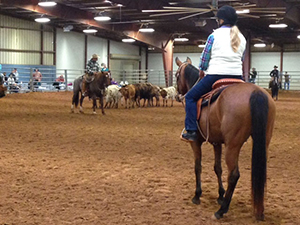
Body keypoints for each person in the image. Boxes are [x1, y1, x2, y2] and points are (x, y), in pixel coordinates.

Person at [181, 5, 246, 142]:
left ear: (220, 20)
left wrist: (202, 70)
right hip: (237, 76)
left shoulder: (213, 35)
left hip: (216, 75)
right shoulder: (242, 38)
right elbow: (242, 58)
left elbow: (204, 59)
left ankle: (191, 130)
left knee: (190, 97)